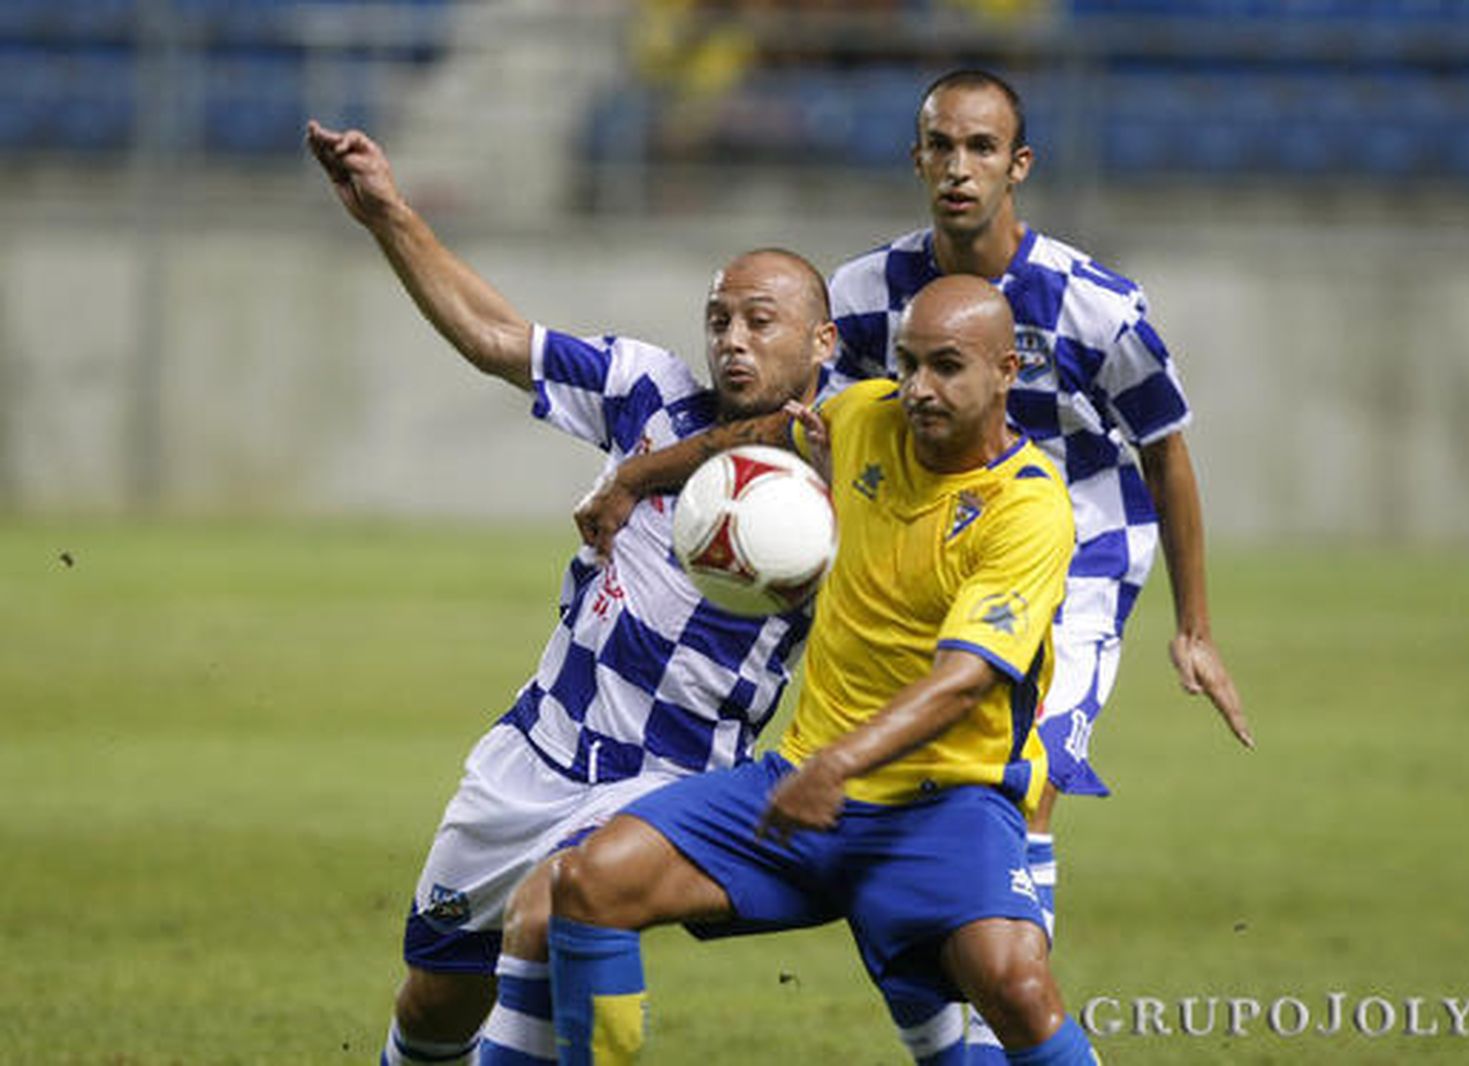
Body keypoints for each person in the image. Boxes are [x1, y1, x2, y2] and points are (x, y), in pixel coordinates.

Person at [576, 66, 1252, 1063]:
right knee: (880, 784)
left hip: (1072, 544)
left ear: (1019, 165)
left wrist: (1193, 627)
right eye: (942, 146)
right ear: (917, 159)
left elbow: (1165, 450)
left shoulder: (1096, 306)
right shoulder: (865, 294)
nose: (959, 168)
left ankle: (1003, 1003)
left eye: (981, 148)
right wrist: (658, 479)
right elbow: (815, 422)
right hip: (913, 527)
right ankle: (950, 1022)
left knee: (1022, 774)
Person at [306, 119, 836, 1066]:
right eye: (719, 320)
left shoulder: (842, 465)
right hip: (535, 752)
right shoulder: (647, 390)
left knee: (557, 906)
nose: (733, 341)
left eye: (761, 322)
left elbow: (801, 442)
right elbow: (495, 337)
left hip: (668, 783)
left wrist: (640, 477)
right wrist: (388, 214)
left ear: (822, 340)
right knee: (436, 1001)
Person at [544, 275, 1099, 1066]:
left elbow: (964, 681)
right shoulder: (863, 415)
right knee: (590, 882)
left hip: (944, 805)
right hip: (801, 789)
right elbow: (763, 434)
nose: (918, 388)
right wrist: (633, 478)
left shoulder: (1028, 507)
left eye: (946, 366)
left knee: (1016, 988)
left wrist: (838, 765)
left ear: (1007, 370)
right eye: (908, 363)